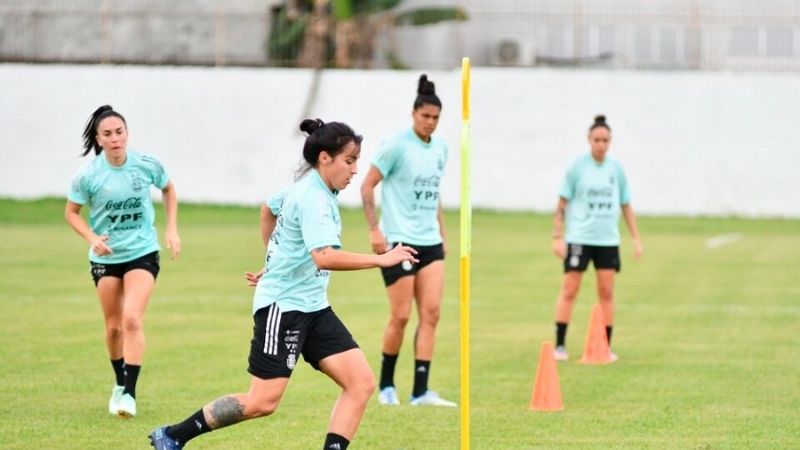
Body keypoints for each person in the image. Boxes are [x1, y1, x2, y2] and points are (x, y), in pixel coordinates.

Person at [149, 119, 418, 450]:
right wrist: (381, 259)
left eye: (356, 161)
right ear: (324, 158)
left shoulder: (313, 189)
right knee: (262, 401)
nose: (355, 170)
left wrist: (274, 262)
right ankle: (173, 435)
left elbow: (268, 209)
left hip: (313, 307)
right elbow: (324, 256)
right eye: (349, 161)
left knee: (360, 383)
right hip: (284, 307)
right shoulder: (313, 198)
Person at [65, 105, 181, 417]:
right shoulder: (88, 176)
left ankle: (129, 393)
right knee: (114, 327)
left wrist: (171, 229)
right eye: (108, 134)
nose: (115, 138)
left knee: (132, 319)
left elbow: (168, 190)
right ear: (99, 139)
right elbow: (71, 214)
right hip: (106, 256)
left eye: (119, 132)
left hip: (142, 252)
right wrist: (92, 238)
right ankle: (119, 382)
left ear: (127, 133)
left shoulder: (145, 164)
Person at [360, 74, 455, 407]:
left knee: (431, 314)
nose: (430, 123)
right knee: (400, 316)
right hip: (398, 241)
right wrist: (375, 230)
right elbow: (367, 186)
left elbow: (434, 194)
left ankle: (420, 391)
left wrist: (442, 233)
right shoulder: (396, 145)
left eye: (435, 118)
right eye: (425, 116)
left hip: (430, 243)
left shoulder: (441, 148)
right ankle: (387, 386)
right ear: (414, 113)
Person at [551, 114, 643, 362]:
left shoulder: (616, 169)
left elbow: (625, 204)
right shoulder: (577, 167)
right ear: (589, 140)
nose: (601, 144)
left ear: (610, 142)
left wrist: (635, 238)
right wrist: (558, 236)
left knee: (606, 291)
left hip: (607, 240)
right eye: (597, 140)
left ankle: (605, 346)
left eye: (605, 140)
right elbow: (561, 204)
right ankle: (559, 345)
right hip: (580, 238)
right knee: (570, 289)